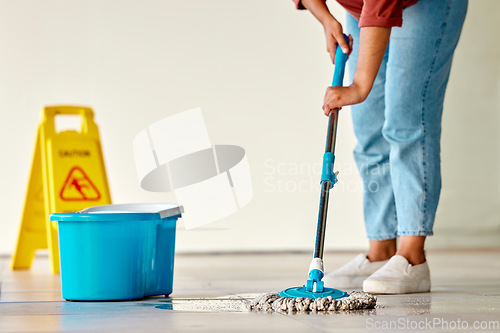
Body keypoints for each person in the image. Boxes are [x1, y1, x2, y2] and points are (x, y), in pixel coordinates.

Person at [293, 0, 468, 294]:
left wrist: (360, 85)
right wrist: (326, 20)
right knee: (369, 127)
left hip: (425, 4)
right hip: (363, 10)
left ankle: (412, 258)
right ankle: (381, 250)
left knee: (407, 122)